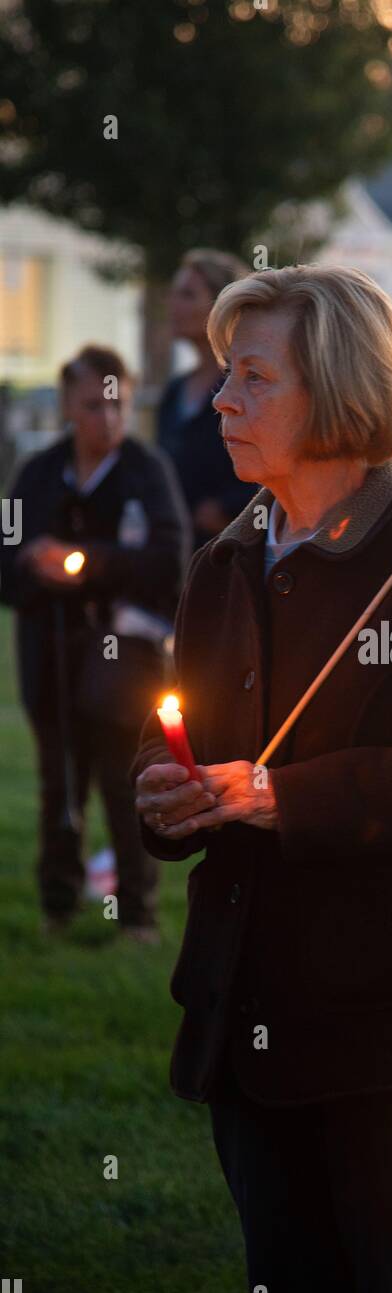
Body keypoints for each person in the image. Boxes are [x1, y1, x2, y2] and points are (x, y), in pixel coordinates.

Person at [131, 265, 392, 1293]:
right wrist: (161, 791)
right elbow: (173, 726)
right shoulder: (224, 559)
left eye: (253, 376)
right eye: (226, 374)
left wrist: (283, 798)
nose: (222, 399)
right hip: (249, 1022)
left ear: (340, 389)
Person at [0, 346, 190, 941]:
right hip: (48, 655)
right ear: (66, 404)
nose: (106, 420)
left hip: (121, 663)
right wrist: (33, 561)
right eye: (92, 405)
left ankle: (135, 914)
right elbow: (4, 554)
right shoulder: (33, 474)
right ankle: (57, 907)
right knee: (60, 783)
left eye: (118, 406)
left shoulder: (147, 471)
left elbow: (171, 561)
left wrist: (91, 566)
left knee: (124, 782)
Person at [158, 248, 256, 549]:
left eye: (188, 295)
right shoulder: (174, 390)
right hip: (177, 554)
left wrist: (227, 507)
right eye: (174, 293)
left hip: (230, 551)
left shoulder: (250, 387)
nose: (173, 304)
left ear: (220, 306)